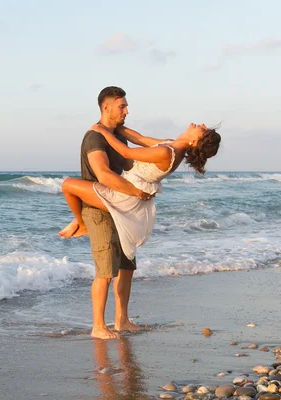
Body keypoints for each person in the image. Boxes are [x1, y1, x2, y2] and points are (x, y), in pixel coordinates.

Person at [61, 86, 220, 340]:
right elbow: (134, 143)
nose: (127, 110)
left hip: (127, 200)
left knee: (126, 266)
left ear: (195, 140)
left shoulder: (167, 150)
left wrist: (105, 129)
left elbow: (125, 153)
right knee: (106, 270)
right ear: (106, 107)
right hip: (108, 205)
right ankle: (99, 325)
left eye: (125, 106)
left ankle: (121, 320)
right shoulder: (100, 139)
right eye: (122, 106)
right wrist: (112, 130)